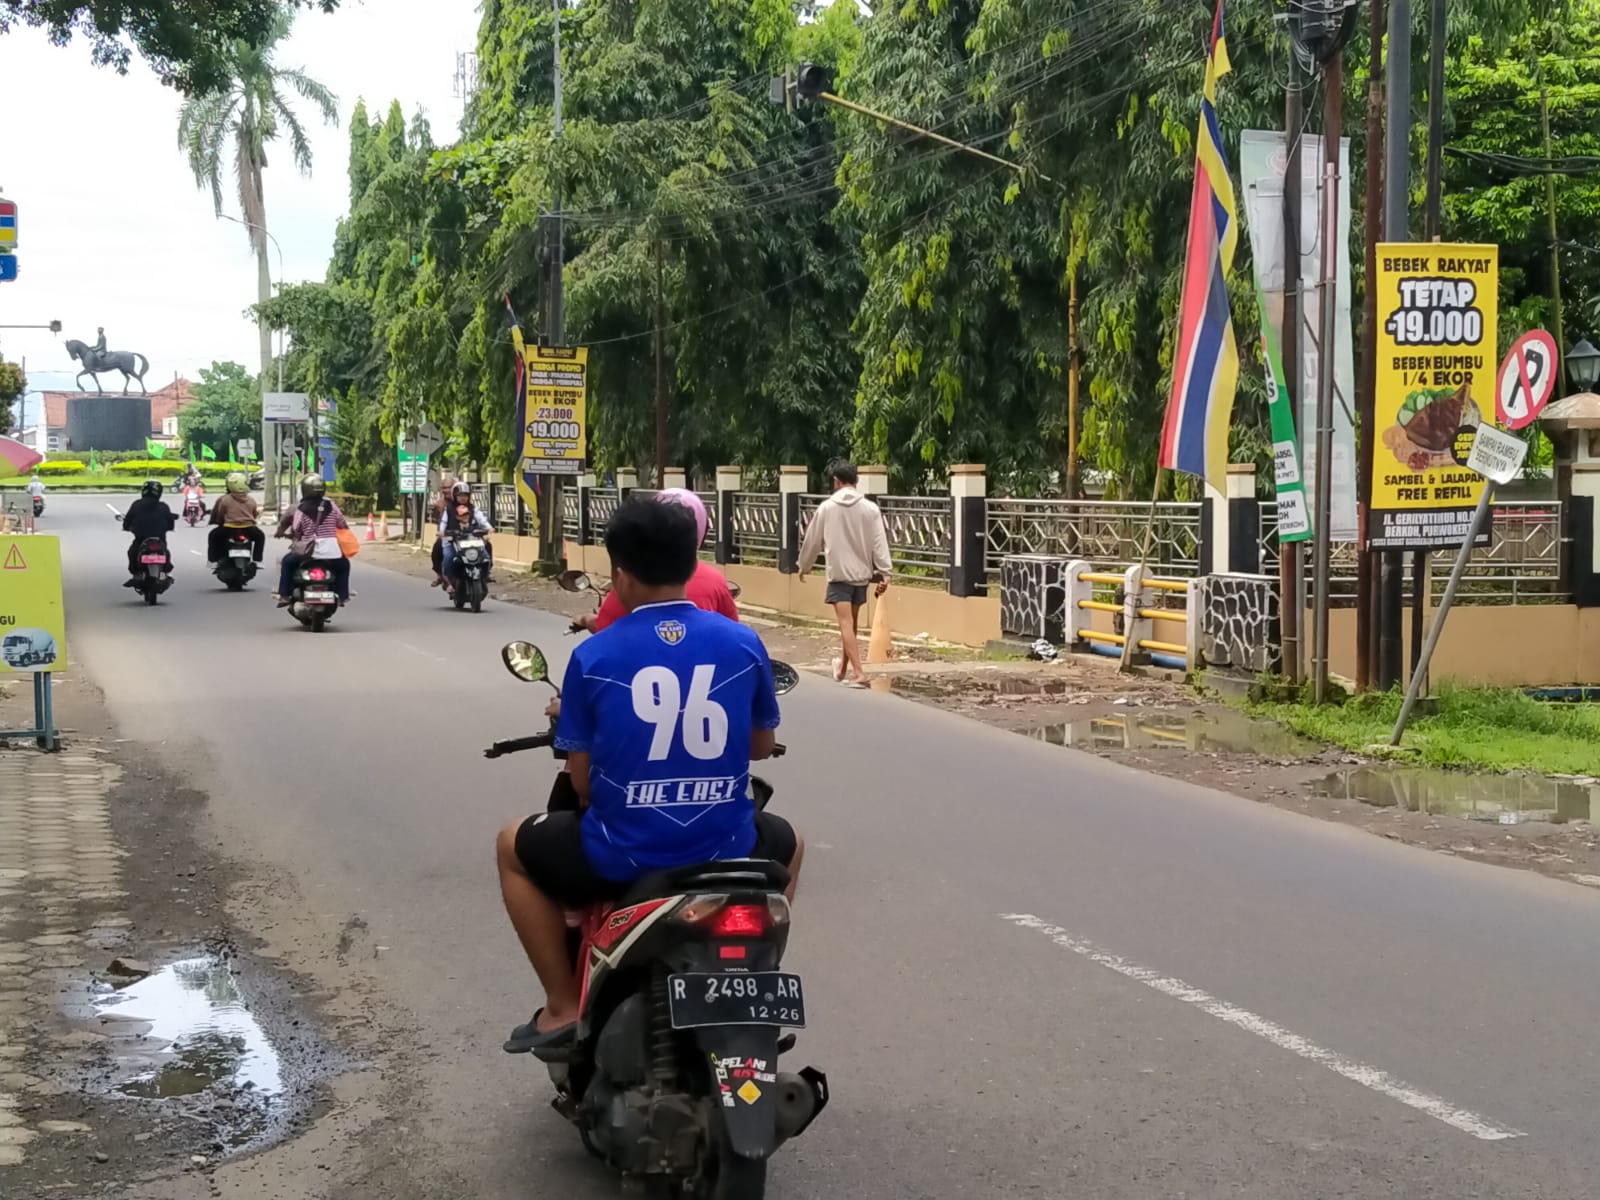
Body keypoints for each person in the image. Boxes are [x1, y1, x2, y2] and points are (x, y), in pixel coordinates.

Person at [495, 497, 802, 1054]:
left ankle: (563, 1005)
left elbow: (582, 785)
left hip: (623, 855)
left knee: (511, 846)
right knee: (791, 841)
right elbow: (760, 745)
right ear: (691, 564)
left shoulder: (597, 655)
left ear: (620, 575)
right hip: (728, 849)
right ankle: (750, 979)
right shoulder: (742, 643)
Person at [573, 488, 737, 633]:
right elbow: (732, 628)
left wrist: (586, 620)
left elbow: (605, 627)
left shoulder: (633, 578)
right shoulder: (716, 581)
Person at [797, 459, 892, 687]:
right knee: (851, 625)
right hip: (861, 576)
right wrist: (885, 571)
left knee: (845, 624)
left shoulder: (827, 508)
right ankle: (842, 669)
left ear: (836, 481)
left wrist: (804, 565)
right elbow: (880, 542)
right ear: (856, 481)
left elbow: (812, 541)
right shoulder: (870, 509)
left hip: (839, 576)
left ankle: (859, 673)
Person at [275, 475, 351, 607]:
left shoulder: (300, 508)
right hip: (331, 552)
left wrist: (295, 535)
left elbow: (297, 528)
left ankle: (285, 595)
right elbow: (342, 524)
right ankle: (342, 596)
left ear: (304, 489)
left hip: (307, 552)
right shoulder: (331, 506)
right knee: (344, 565)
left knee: (287, 563)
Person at [437, 481, 494, 590]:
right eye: (460, 495)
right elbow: (443, 522)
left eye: (465, 495)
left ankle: (485, 575)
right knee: (449, 557)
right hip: (452, 540)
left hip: (471, 540)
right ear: (455, 496)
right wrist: (442, 532)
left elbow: (481, 519)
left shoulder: (473, 508)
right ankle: (449, 581)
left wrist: (489, 528)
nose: (463, 498)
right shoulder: (448, 509)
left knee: (485, 557)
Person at [121, 480, 177, 584]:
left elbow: (128, 519)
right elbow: (170, 522)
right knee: (165, 551)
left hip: (141, 538)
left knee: (133, 552)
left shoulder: (136, 504)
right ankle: (165, 571)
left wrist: (126, 527)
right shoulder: (163, 506)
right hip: (159, 538)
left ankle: (136, 574)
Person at [207, 472, 265, 564]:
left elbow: (220, 514)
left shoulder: (224, 499)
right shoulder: (251, 500)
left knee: (213, 536)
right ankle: (257, 559)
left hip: (229, 528)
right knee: (260, 537)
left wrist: (218, 521)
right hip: (249, 529)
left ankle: (213, 560)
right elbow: (254, 514)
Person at [429, 472, 458, 586]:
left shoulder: (462, 500)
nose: (446, 490)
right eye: (444, 488)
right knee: (437, 550)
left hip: (464, 534)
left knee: (485, 546)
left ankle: (484, 572)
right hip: (447, 535)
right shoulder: (439, 504)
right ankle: (440, 575)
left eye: (449, 487)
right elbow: (437, 520)